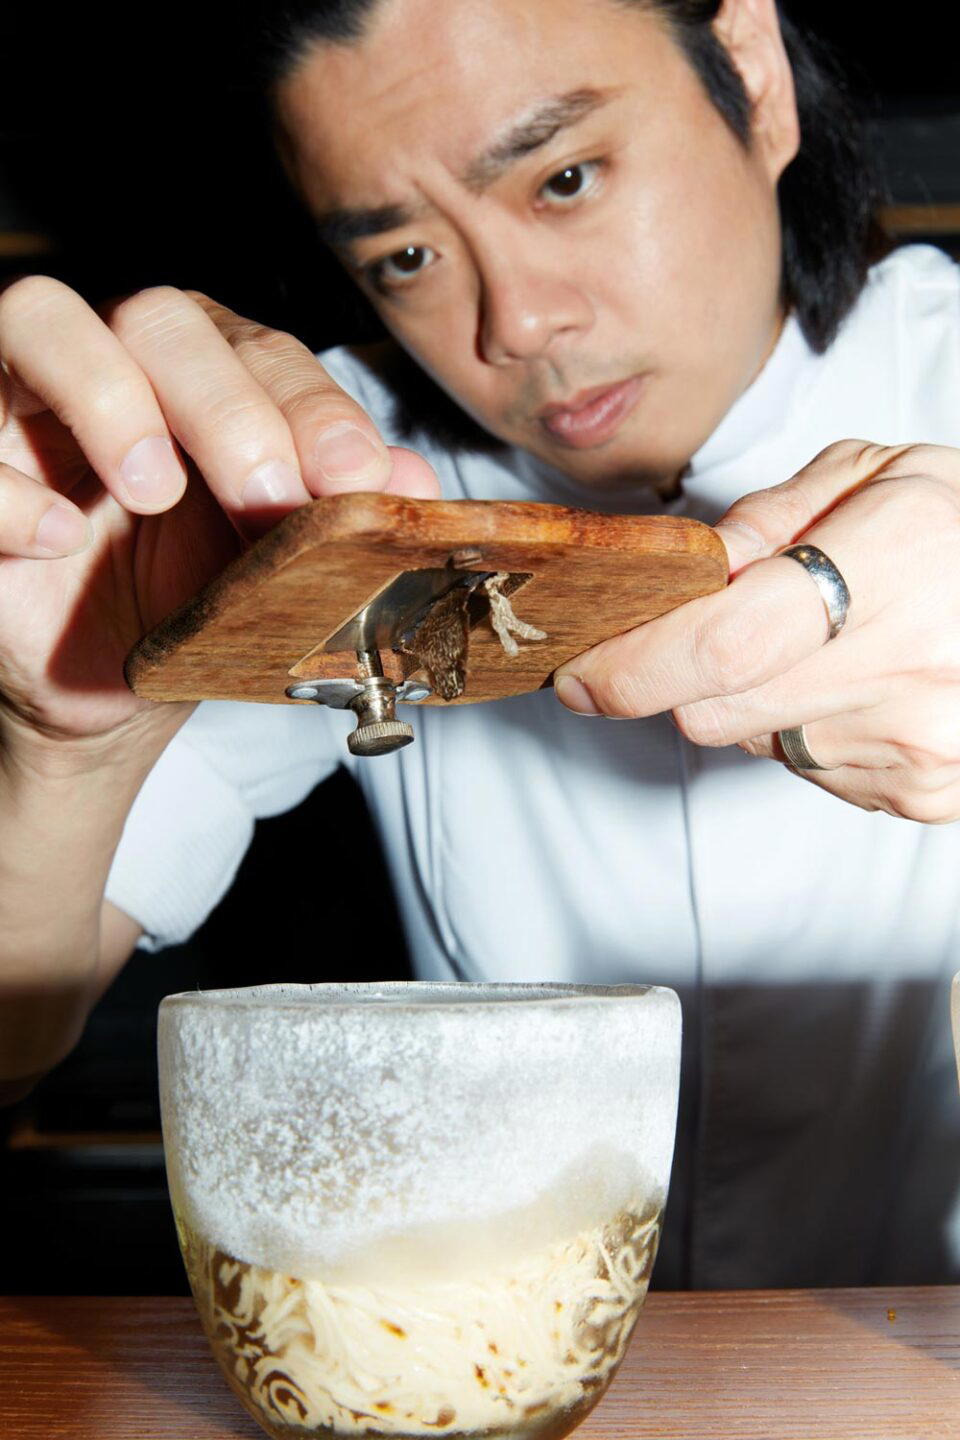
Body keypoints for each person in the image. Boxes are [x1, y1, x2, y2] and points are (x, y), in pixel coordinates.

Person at [1, 0, 959, 1289]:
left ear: (753, 76)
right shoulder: (336, 492)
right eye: (404, 256)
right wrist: (64, 741)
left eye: (563, 178)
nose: (512, 323)